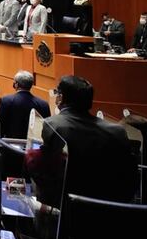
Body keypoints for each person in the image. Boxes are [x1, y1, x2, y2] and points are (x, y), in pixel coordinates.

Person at [36, 75, 134, 203]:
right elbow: (128, 175)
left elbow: (47, 172)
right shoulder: (118, 131)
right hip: (110, 205)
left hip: (66, 206)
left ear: (61, 97)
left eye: (57, 93)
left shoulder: (53, 124)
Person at [0, 70, 50, 139]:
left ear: (16, 84)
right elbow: (46, 130)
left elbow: (0, 127)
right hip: (34, 147)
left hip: (10, 145)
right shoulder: (43, 104)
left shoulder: (5, 101)